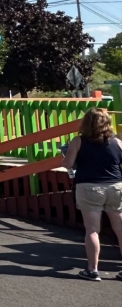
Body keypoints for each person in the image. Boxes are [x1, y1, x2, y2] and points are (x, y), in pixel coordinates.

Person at [62, 107, 122, 281]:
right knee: (120, 228)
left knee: (93, 230)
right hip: (115, 186)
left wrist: (64, 158)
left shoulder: (78, 141)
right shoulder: (117, 142)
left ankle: (92, 270)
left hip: (89, 186)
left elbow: (68, 164)